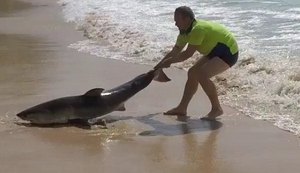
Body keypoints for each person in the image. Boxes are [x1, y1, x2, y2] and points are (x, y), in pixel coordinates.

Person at [154, 6, 239, 120]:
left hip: (229, 51)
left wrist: (168, 62)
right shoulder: (184, 33)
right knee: (193, 72)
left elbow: (187, 55)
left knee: (202, 74)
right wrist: (159, 65)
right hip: (214, 51)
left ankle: (217, 109)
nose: (175, 24)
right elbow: (175, 52)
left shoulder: (197, 29)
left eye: (177, 21)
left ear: (187, 19)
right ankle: (182, 108)